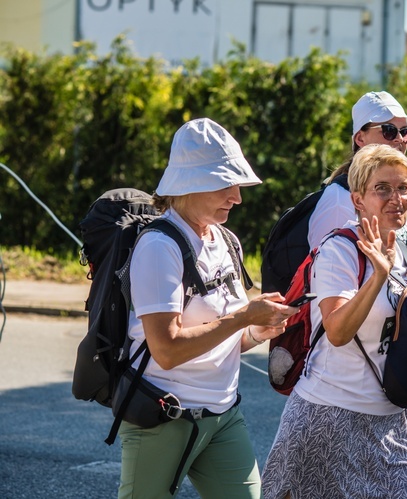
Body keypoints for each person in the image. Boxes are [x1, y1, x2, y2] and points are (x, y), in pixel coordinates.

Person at [118, 118, 297, 498]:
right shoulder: (158, 247)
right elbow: (166, 351)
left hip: (223, 416)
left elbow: (227, 338)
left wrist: (256, 330)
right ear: (189, 183)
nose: (237, 196)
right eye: (225, 184)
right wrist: (243, 317)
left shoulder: (226, 240)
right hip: (164, 416)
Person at [262, 144, 407, 498]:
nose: (397, 197)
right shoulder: (340, 250)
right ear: (358, 199)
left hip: (393, 421)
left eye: (404, 187)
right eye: (383, 189)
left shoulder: (399, 247)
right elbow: (337, 331)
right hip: (327, 419)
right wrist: (377, 276)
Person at [307, 90, 407, 255]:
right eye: (389, 130)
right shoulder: (339, 199)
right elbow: (324, 271)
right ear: (360, 138)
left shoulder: (396, 193)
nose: (400, 139)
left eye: (405, 132)